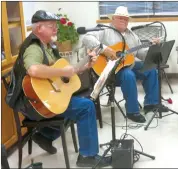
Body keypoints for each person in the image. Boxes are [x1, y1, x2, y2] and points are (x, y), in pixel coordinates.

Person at [6, 10, 111, 168]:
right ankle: (88, 156)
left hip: (46, 97)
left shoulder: (48, 46)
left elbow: (67, 73)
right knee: (86, 106)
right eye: (51, 26)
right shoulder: (33, 47)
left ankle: (45, 135)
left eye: (56, 26)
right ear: (39, 28)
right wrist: (63, 71)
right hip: (34, 103)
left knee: (69, 99)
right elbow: (33, 70)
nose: (56, 29)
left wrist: (86, 65)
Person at [82, 6, 165, 123]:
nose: (123, 20)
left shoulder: (133, 36)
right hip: (110, 70)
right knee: (128, 75)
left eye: (126, 19)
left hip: (128, 65)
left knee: (150, 69)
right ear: (113, 19)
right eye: (120, 18)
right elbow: (86, 38)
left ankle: (151, 104)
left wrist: (153, 48)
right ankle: (132, 111)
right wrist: (104, 49)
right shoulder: (104, 31)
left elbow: (140, 54)